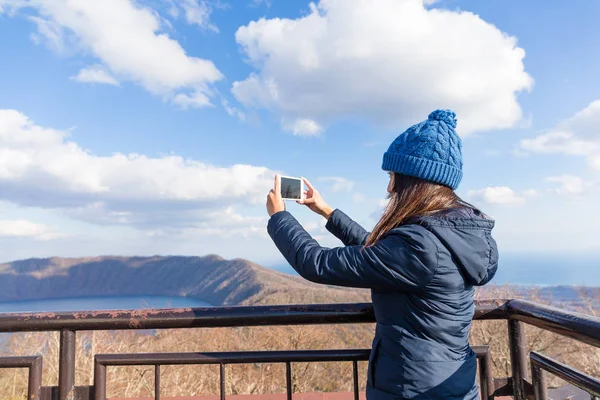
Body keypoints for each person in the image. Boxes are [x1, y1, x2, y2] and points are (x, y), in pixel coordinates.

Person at [265, 109, 498, 400]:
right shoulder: (449, 236)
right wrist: (326, 211)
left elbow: (317, 263)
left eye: (393, 176)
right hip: (453, 383)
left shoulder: (420, 246)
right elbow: (382, 256)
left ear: (414, 181)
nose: (389, 187)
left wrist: (279, 218)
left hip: (413, 390)